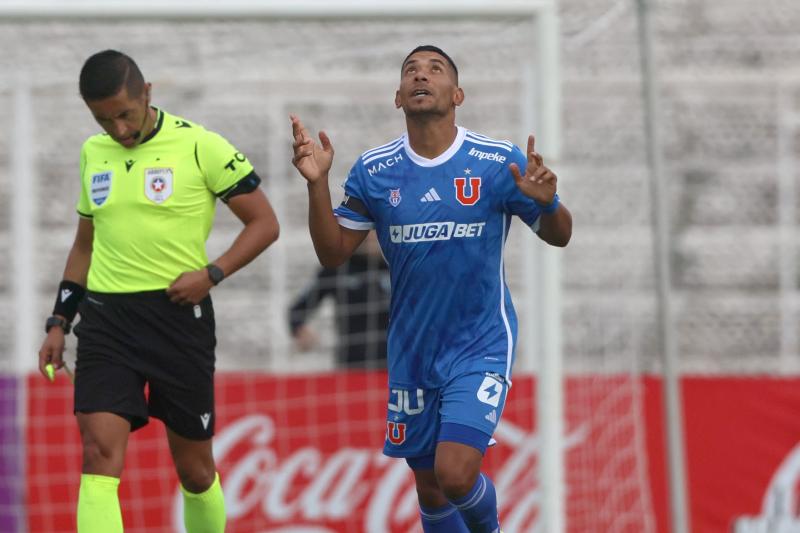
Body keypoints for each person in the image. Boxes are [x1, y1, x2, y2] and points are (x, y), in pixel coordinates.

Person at [290, 45, 572, 533]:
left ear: (456, 93)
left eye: (435, 69)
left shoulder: (495, 161)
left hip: (479, 343)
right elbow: (332, 253)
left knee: (456, 474)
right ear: (398, 97)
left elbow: (560, 235)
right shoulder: (375, 171)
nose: (421, 75)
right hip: (413, 350)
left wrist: (547, 205)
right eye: (410, 71)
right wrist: (317, 184)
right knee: (430, 488)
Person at [36, 50, 279, 533]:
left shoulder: (199, 146)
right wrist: (59, 320)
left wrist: (212, 273)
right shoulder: (93, 152)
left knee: (195, 471)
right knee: (98, 452)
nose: (118, 130)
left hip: (177, 318)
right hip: (106, 322)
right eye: (104, 120)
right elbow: (84, 245)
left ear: (147, 94)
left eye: (125, 114)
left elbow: (265, 223)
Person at [288, 231, 390, 369]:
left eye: (375, 229)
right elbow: (298, 309)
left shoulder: (397, 267)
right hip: (352, 364)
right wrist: (299, 330)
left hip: (395, 367)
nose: (370, 236)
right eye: (365, 229)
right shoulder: (337, 267)